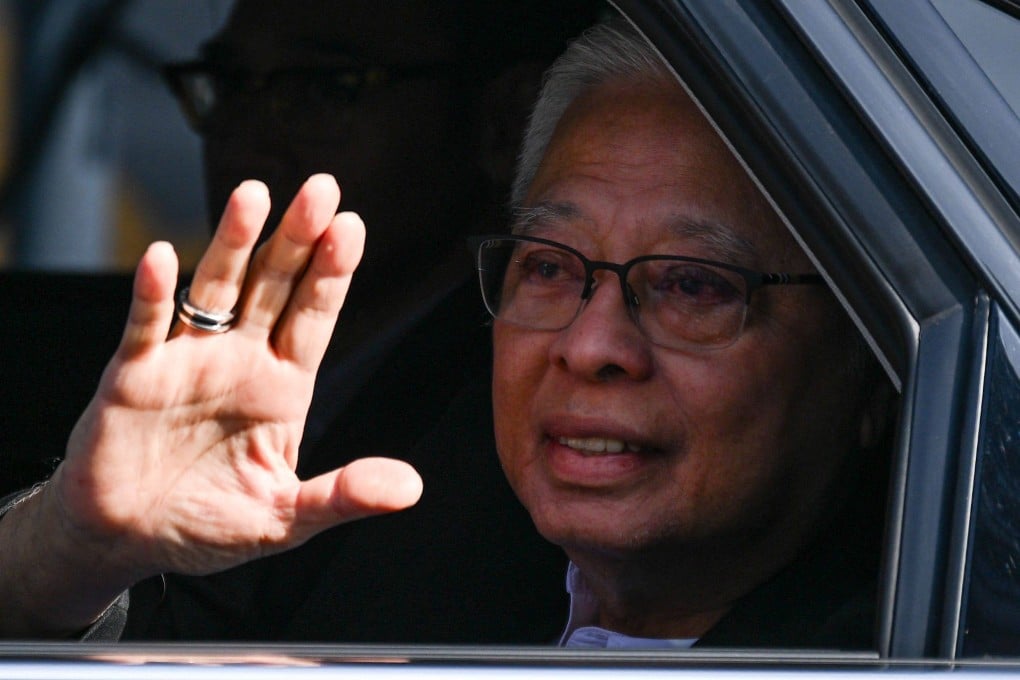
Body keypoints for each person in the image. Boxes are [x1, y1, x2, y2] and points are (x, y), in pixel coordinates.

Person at [0, 16, 891, 648]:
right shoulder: (413, 542)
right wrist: (69, 549)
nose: (591, 346)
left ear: (869, 359)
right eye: (547, 266)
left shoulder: (926, 631)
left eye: (694, 285)